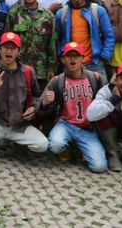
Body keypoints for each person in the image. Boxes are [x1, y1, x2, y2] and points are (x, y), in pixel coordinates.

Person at [0, 32, 48, 154]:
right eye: (6, 47)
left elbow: (36, 96)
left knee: (42, 144)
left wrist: (34, 108)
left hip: (19, 125)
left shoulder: (27, 71)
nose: (9, 51)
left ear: (19, 51)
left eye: (13, 48)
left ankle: (17, 145)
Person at [41, 42, 107, 173]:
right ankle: (66, 148)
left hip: (87, 127)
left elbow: (105, 102)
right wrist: (44, 102)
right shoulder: (57, 80)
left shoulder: (95, 78)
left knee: (99, 167)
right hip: (65, 124)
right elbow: (40, 106)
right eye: (68, 56)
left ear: (83, 58)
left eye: (76, 56)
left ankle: (80, 149)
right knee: (55, 145)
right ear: (63, 59)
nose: (72, 59)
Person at [55, 0, 115, 83]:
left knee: (100, 97)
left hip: (95, 63)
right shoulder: (61, 14)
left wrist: (103, 57)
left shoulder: (98, 11)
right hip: (71, 63)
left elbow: (109, 36)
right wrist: (61, 55)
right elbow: (57, 37)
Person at [4, 0, 57, 89]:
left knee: (40, 103)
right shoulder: (13, 13)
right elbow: (7, 42)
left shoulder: (48, 16)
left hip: (41, 71)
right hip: (18, 69)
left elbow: (51, 44)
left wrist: (52, 68)